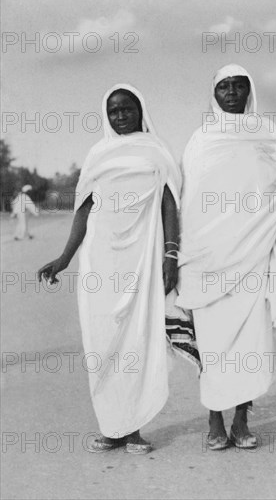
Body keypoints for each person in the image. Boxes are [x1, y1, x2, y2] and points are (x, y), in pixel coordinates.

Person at [38, 84, 181, 454]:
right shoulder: (98, 153)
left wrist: (170, 254)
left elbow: (169, 203)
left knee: (137, 340)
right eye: (114, 110)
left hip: (142, 259)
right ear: (107, 114)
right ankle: (111, 427)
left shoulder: (157, 150)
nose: (120, 116)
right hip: (100, 259)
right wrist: (65, 258)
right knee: (101, 340)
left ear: (140, 110)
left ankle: (133, 429)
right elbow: (84, 210)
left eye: (127, 109)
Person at [176, 64, 276, 450]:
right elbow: (187, 202)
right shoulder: (200, 140)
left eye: (238, 86)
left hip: (254, 255)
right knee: (211, 343)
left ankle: (242, 420)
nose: (231, 92)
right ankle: (214, 418)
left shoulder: (266, 136)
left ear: (250, 91)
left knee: (249, 343)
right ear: (214, 93)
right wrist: (179, 254)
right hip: (206, 257)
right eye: (224, 86)